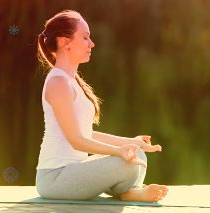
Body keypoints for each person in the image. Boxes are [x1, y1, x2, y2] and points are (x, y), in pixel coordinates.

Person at [35, 9, 168, 202]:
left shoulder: (71, 81)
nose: (92, 44)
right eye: (85, 38)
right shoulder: (58, 83)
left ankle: (129, 192)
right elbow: (76, 140)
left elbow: (85, 133)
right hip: (55, 178)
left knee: (137, 154)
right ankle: (130, 192)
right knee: (126, 162)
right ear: (65, 43)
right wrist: (119, 151)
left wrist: (130, 142)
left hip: (74, 171)